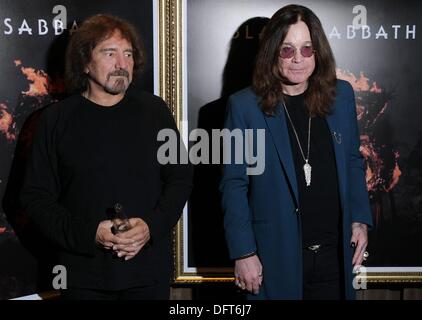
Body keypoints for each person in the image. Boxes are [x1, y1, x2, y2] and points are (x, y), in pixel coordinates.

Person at [20, 14, 192, 300]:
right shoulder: (55, 120)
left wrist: (150, 227)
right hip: (83, 278)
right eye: (109, 53)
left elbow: (181, 178)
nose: (122, 64)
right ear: (85, 63)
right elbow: (35, 198)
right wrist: (89, 234)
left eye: (128, 54)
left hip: (147, 275)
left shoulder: (155, 111)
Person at [220, 5, 372, 300]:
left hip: (334, 257)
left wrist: (359, 220)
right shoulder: (244, 107)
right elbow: (234, 183)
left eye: (307, 49)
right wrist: (243, 252)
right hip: (275, 258)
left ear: (318, 52)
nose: (299, 59)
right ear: (272, 52)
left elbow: (353, 161)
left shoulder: (341, 96)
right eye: (288, 50)